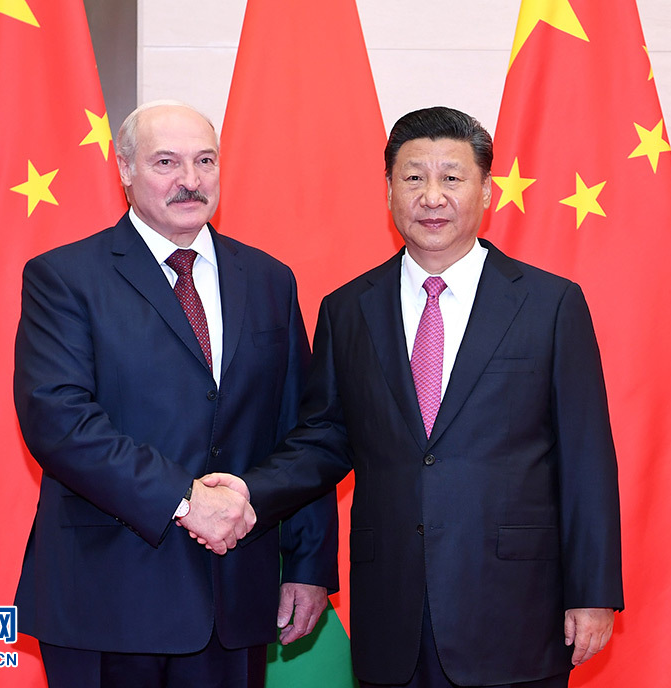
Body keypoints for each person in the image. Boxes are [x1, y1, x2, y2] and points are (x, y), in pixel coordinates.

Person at [201, 106, 623, 687]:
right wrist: (250, 489)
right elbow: (325, 439)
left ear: (486, 191)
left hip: (516, 608)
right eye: (414, 177)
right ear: (389, 191)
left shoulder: (551, 304)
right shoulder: (348, 308)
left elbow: (586, 458)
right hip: (392, 606)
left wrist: (593, 592)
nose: (432, 197)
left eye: (452, 178)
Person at [12, 101, 338, 688]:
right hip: (108, 598)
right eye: (166, 162)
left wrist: (308, 564)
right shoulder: (64, 277)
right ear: (125, 169)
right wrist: (185, 500)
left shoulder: (269, 279)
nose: (190, 179)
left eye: (204, 161)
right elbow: (59, 421)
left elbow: (303, 430)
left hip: (234, 595)